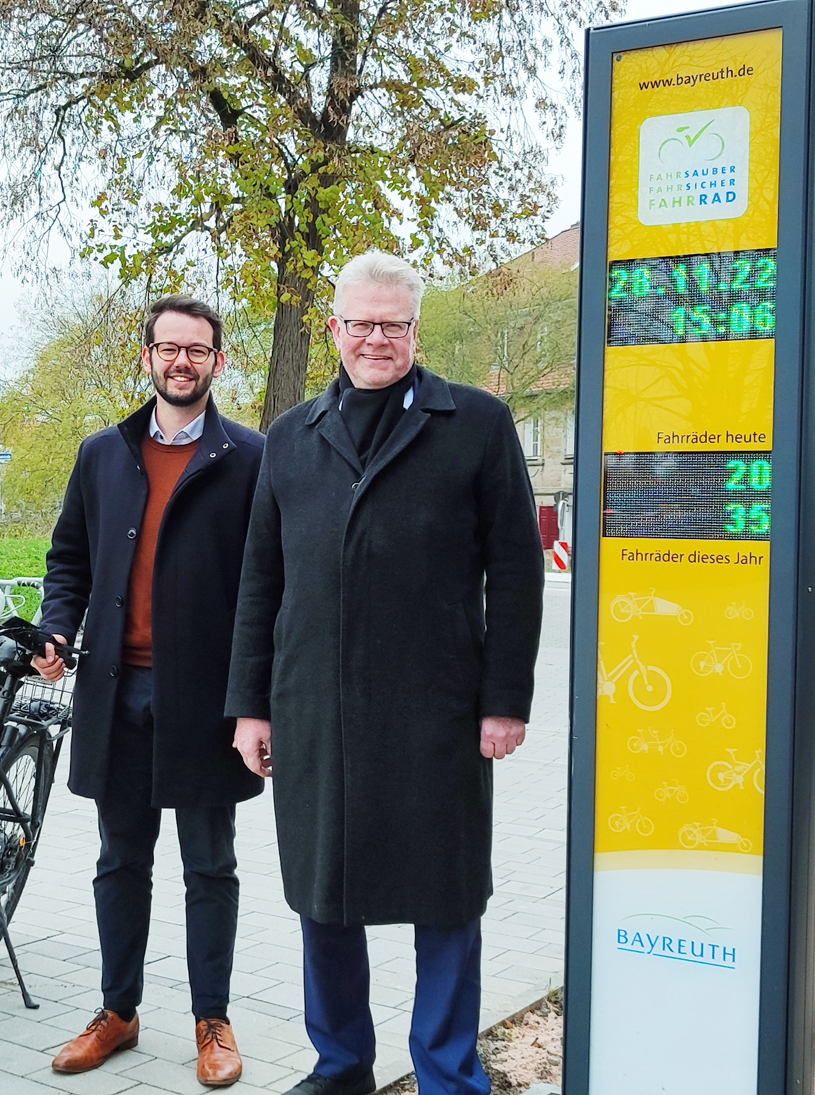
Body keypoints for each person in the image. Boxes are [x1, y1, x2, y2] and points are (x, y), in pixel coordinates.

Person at [224, 251, 544, 1095]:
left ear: (414, 330)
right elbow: (261, 576)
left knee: (445, 897)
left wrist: (504, 700)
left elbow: (516, 570)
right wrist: (248, 705)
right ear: (334, 327)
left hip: (436, 709)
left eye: (391, 324)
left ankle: (446, 1070)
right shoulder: (291, 436)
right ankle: (341, 1066)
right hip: (314, 709)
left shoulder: (476, 422)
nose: (374, 338)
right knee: (322, 894)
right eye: (359, 323)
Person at [33, 294, 266, 1088]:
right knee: (119, 858)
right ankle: (119, 1012)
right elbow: (69, 560)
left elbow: (268, 584)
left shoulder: (249, 457)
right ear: (148, 357)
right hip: (114, 691)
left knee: (210, 864)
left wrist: (254, 698)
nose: (181, 361)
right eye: (168, 348)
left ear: (218, 361)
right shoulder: (103, 452)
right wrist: (56, 631)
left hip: (206, 701)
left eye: (197, 350)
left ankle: (213, 1022)